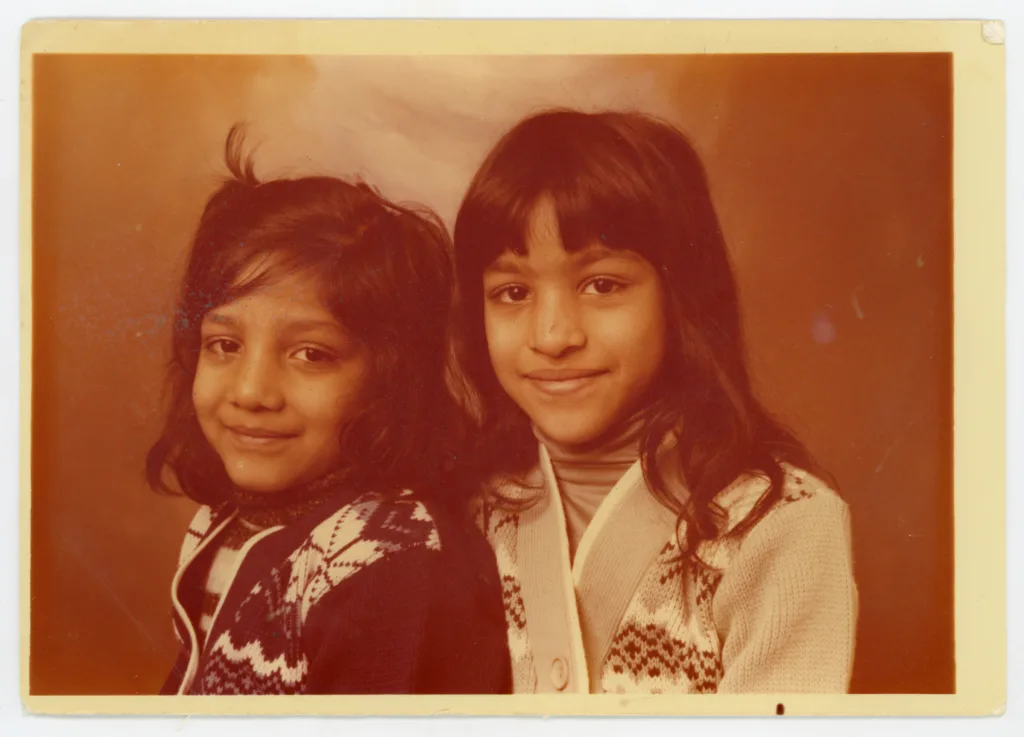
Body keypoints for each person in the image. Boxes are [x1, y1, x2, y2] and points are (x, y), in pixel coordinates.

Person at [451, 109, 858, 694]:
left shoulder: (779, 525)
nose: (553, 336)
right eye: (512, 293)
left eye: (602, 285)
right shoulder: (471, 511)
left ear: (680, 297)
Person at [147, 126, 511, 695]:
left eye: (310, 354)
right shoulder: (227, 520)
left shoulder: (392, 565)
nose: (250, 391)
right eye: (225, 345)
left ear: (390, 382)